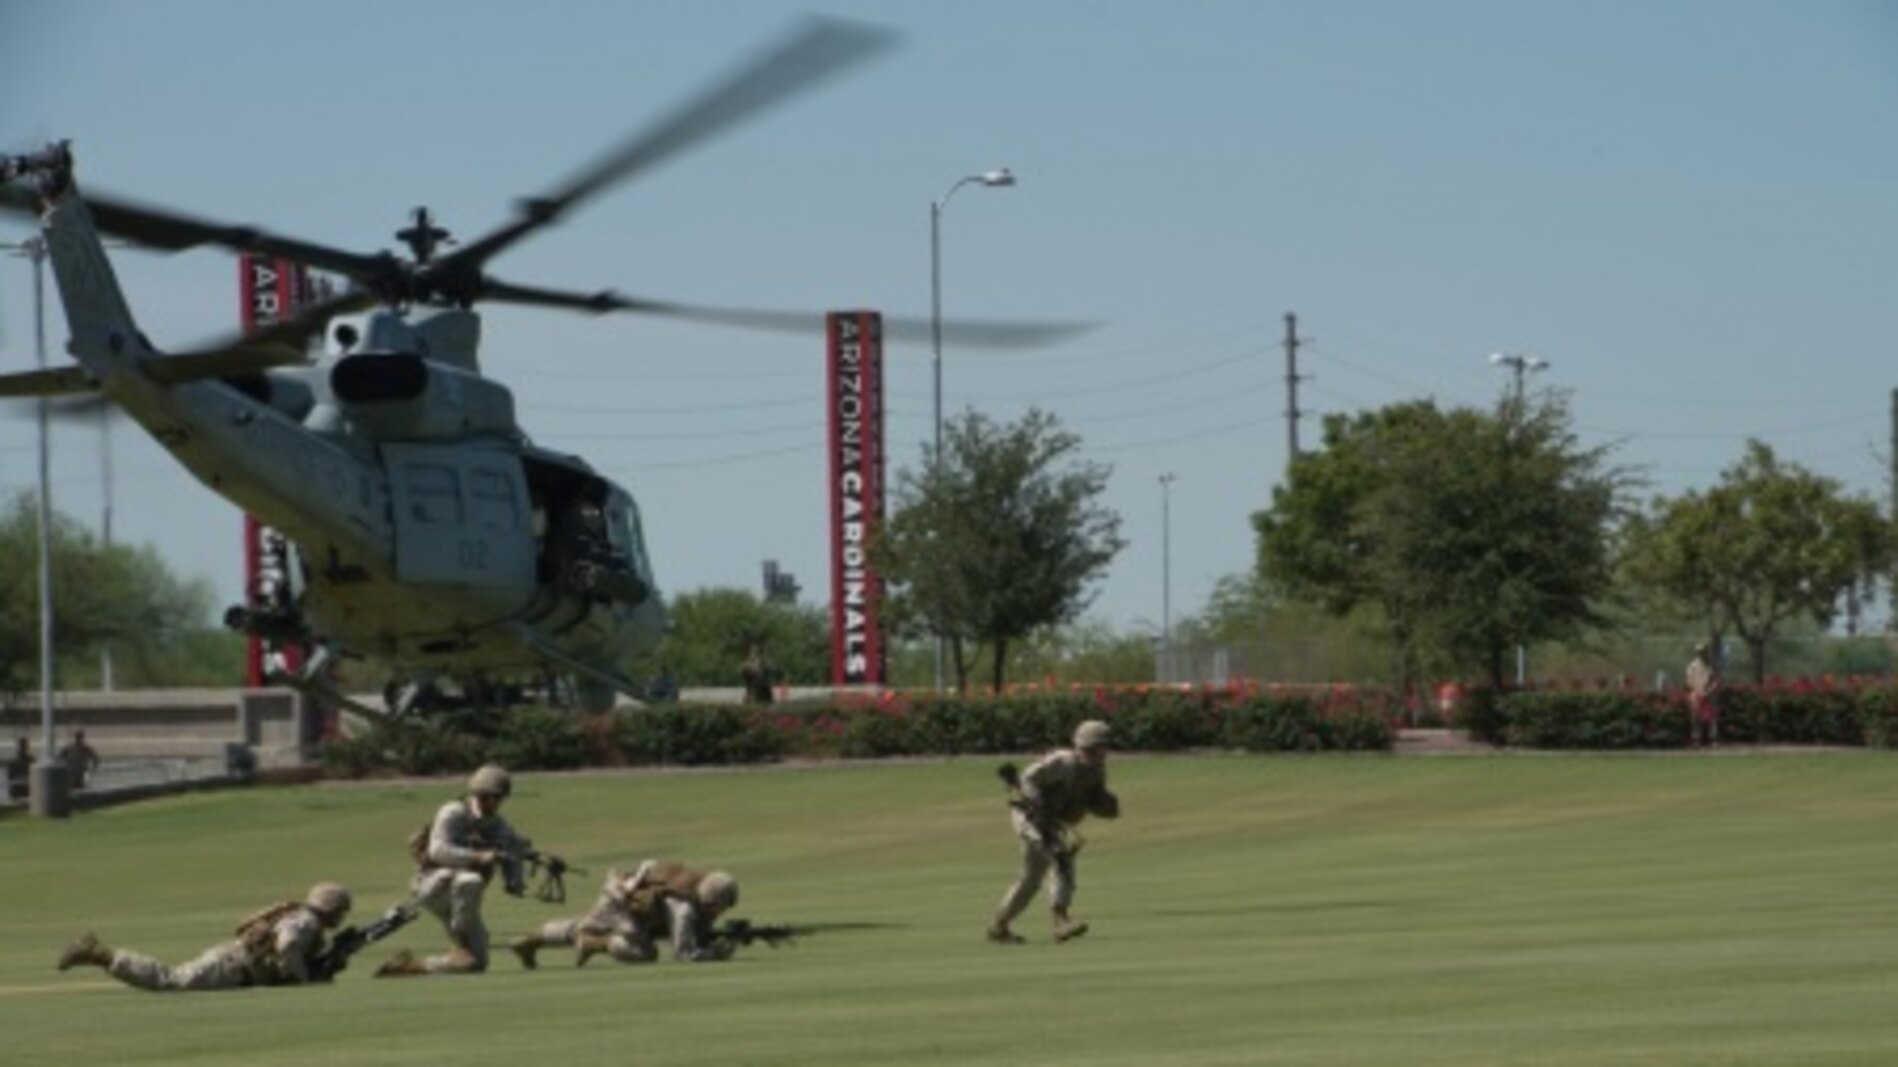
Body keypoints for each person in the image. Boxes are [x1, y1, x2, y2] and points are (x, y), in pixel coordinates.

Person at [376, 763, 533, 977]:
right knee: (470, 881)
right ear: (479, 794)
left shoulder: (496, 824)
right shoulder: (452, 812)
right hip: (436, 883)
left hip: (462, 898)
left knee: (476, 963)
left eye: (500, 798)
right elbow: (438, 851)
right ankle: (461, 935)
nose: (496, 803)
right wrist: (478, 856)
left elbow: (509, 848)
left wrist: (515, 879)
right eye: (492, 797)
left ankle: (408, 968)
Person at [55, 882, 352, 991]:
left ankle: (101, 955)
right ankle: (100, 954)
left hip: (235, 962)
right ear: (332, 908)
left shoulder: (300, 917)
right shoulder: (306, 923)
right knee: (171, 980)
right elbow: (287, 946)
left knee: (173, 980)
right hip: (234, 966)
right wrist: (303, 982)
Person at [988, 719, 1120, 945]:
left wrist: (1103, 805)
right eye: (1099, 747)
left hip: (1052, 820)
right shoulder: (1063, 763)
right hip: (1028, 815)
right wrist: (1037, 804)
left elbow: (1091, 802)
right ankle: (1060, 920)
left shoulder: (1096, 772)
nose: (1103, 753)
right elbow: (1028, 778)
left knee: (1031, 878)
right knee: (1060, 856)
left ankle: (999, 926)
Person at [512, 859, 740, 966]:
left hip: (626, 900)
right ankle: (595, 944)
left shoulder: (693, 891)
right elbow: (684, 953)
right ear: (714, 900)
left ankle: (530, 942)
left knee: (579, 926)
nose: (722, 911)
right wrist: (714, 955)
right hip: (621, 901)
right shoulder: (683, 908)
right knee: (643, 953)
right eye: (724, 905)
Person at [1686, 641, 1722, 746]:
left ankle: (1713, 738)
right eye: (1700, 651)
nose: (1702, 653)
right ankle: (1696, 739)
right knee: (1695, 717)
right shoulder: (1692, 666)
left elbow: (1716, 681)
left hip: (1709, 694)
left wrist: (1708, 691)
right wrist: (1698, 692)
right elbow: (1689, 681)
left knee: (1712, 716)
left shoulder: (1712, 666)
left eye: (1704, 651)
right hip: (1696, 694)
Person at [6, 737, 32, 801]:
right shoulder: (13, 762)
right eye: (22, 746)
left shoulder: (30, 760)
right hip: (20, 789)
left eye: (24, 746)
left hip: (26, 789)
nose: (23, 748)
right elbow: (11, 779)